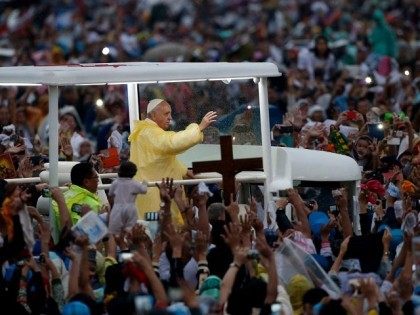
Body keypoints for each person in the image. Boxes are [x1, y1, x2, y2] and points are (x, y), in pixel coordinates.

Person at [128, 99, 217, 224]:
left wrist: (185, 171)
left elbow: (160, 160)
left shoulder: (144, 131)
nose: (170, 117)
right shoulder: (149, 133)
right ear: (153, 115)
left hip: (152, 195)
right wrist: (199, 127)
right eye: (166, 114)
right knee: (159, 233)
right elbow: (172, 143)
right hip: (155, 198)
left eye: (170, 114)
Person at [51, 162, 102, 242]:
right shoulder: (92, 204)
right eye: (96, 177)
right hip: (83, 249)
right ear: (86, 182)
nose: (98, 180)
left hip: (61, 246)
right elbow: (96, 238)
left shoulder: (63, 196)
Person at [108, 161, 147, 236]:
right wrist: (145, 183)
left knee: (114, 231)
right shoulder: (134, 183)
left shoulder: (115, 183)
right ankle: (128, 244)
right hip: (130, 207)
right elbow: (144, 190)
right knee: (130, 229)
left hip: (117, 207)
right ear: (134, 172)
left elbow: (110, 194)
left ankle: (119, 244)